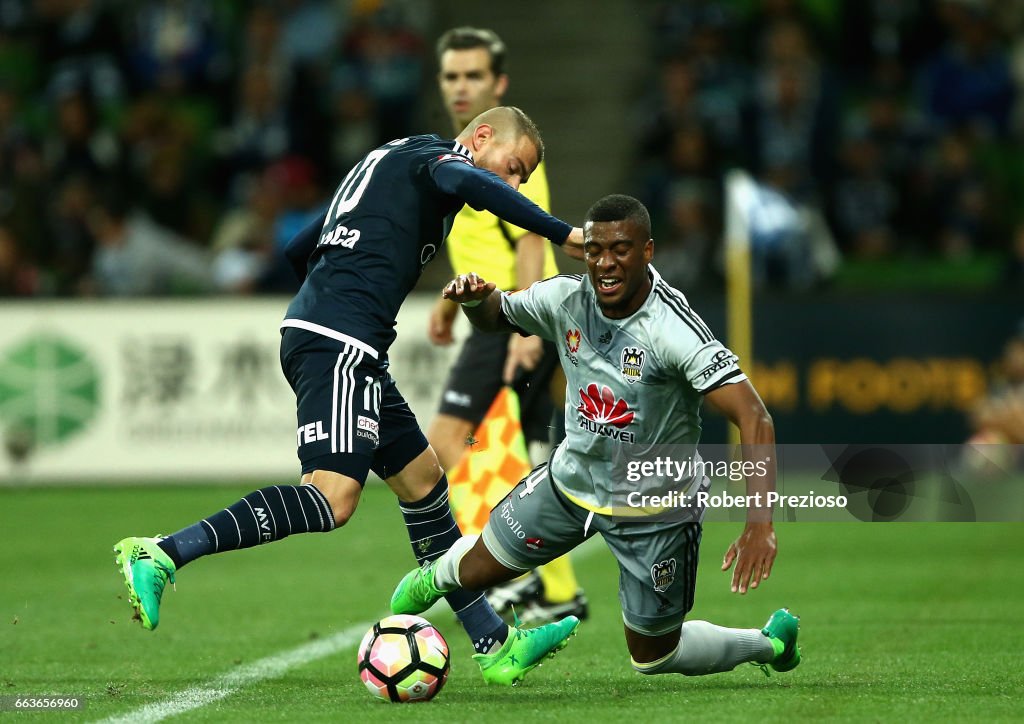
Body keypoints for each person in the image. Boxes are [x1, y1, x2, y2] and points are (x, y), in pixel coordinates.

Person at [113, 106, 584, 686]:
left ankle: (493, 642)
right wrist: (565, 233)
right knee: (332, 500)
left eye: (520, 180)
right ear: (481, 137)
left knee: (423, 481)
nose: (509, 185)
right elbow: (469, 181)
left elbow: (301, 249)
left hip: (341, 338)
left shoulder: (392, 156)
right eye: (513, 169)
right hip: (341, 341)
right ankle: (161, 553)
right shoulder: (442, 163)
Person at [391, 194, 801, 680]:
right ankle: (429, 579)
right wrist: (477, 300)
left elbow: (756, 418)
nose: (605, 263)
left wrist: (760, 523)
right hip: (571, 483)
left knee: (653, 656)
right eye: (595, 250)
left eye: (621, 250)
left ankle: (769, 642)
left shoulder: (671, 329)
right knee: (474, 570)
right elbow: (499, 315)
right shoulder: (566, 298)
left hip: (654, 506)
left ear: (648, 251)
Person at [428, 26, 586, 623]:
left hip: (511, 318)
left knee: (448, 446)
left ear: (498, 85)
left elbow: (526, 243)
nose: (461, 86)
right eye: (451, 76)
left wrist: (520, 325)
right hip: (494, 316)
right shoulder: (458, 156)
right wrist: (446, 308)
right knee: (514, 453)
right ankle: (557, 585)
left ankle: (498, 578)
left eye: (473, 76)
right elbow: (467, 243)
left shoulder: (511, 157)